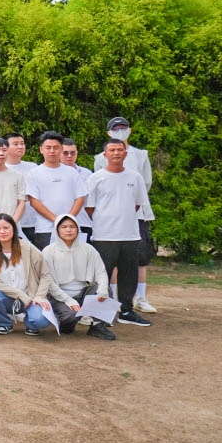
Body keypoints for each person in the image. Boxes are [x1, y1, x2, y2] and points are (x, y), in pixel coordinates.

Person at [93, 116, 157, 314]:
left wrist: (127, 209)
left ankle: (140, 299)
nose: (120, 131)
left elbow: (145, 184)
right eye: (116, 128)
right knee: (109, 262)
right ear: (108, 133)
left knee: (138, 258)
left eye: (123, 128)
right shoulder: (99, 158)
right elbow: (97, 194)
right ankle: (110, 299)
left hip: (135, 218)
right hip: (108, 223)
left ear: (130, 130)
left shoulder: (140, 155)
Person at [42, 214, 115, 339]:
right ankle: (66, 323)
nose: (69, 230)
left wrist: (102, 290)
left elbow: (101, 272)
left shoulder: (88, 249)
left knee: (104, 289)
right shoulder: (48, 251)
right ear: (57, 230)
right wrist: (68, 300)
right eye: (64, 227)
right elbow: (48, 281)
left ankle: (97, 326)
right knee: (70, 317)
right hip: (59, 296)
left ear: (77, 229)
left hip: (83, 292)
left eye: (72, 226)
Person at [0, 214, 53, 336]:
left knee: (41, 321)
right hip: (7, 298)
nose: (2, 232)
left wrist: (39, 296)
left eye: (6, 228)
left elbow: (45, 274)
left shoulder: (28, 248)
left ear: (13, 228)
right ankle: (4, 323)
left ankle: (30, 324)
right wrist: (21, 295)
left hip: (31, 297)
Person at [26, 131, 87, 250]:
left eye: (56, 147)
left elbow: (80, 197)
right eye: (48, 147)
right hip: (45, 229)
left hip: (71, 228)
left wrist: (68, 220)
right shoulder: (34, 173)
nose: (52, 151)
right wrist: (57, 220)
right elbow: (34, 201)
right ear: (41, 149)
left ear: (61, 149)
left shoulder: (71, 172)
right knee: (47, 260)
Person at [5, 132, 39, 244]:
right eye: (15, 144)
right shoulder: (0, 169)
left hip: (35, 222)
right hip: (11, 222)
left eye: (22, 143)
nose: (20, 146)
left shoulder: (33, 167)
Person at [60, 138, 94, 242]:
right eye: (65, 153)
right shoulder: (51, 173)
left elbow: (91, 200)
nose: (69, 156)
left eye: (72, 153)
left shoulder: (87, 174)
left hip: (83, 223)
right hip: (59, 223)